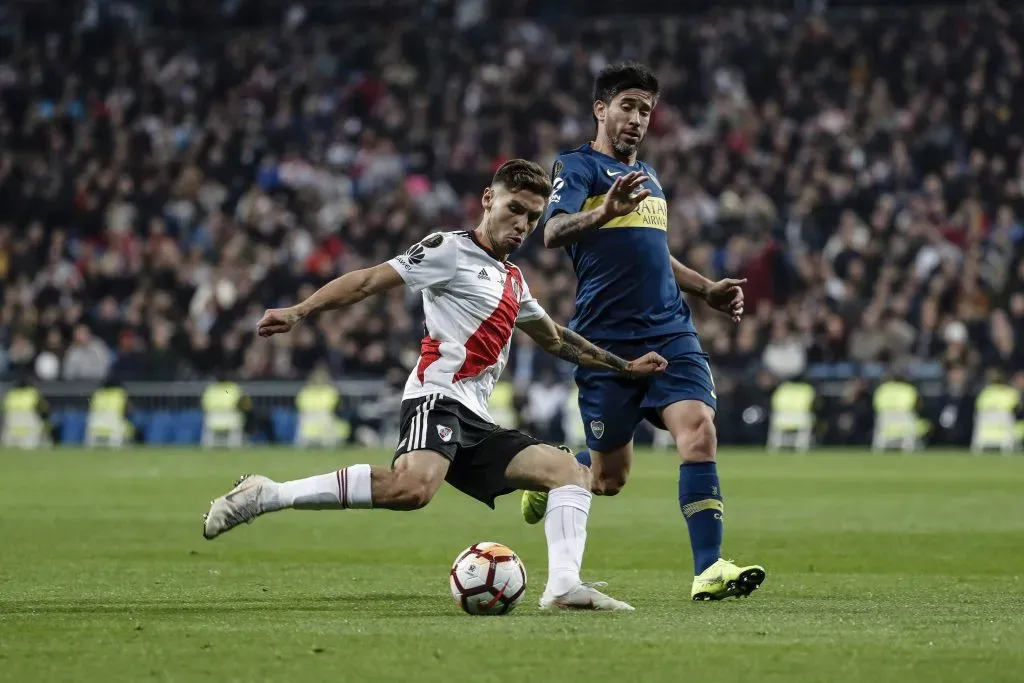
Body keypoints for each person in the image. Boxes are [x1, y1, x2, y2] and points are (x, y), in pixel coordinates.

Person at [202, 159, 668, 611]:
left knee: (568, 472)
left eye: (532, 216)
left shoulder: (514, 280)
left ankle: (565, 587)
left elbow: (556, 339)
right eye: (514, 209)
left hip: (477, 418)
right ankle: (267, 494)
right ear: (489, 199)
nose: (523, 223)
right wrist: (298, 311)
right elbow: (367, 281)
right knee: (413, 490)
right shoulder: (449, 248)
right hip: (437, 397)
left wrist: (624, 367)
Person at [520, 62, 765, 601]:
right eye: (627, 106)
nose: (637, 118)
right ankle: (556, 470)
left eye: (646, 110)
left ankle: (709, 568)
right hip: (604, 344)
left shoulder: (649, 178)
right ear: (600, 109)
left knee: (698, 430)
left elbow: (655, 251)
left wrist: (706, 289)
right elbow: (552, 231)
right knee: (608, 479)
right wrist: (605, 210)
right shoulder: (578, 166)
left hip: (670, 331)